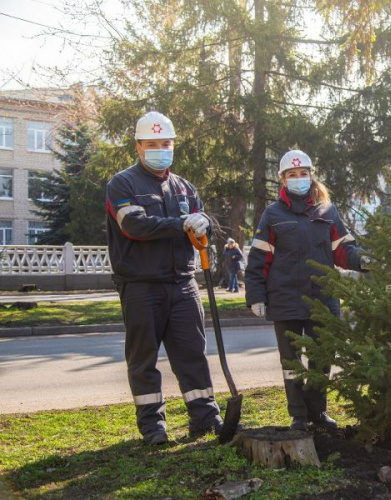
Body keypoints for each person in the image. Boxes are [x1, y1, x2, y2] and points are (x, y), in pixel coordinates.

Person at [106, 111, 223, 445]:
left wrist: (206, 224)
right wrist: (182, 224)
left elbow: (202, 223)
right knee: (144, 358)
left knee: (193, 354)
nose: (160, 149)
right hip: (141, 285)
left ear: (173, 145)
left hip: (184, 283)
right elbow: (134, 226)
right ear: (139, 146)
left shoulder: (184, 187)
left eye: (166, 143)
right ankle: (153, 426)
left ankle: (205, 417)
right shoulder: (123, 184)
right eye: (153, 144)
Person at [245, 149, 368, 431]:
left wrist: (363, 260)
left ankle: (317, 412)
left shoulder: (327, 210)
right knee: (291, 362)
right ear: (283, 179)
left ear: (311, 176)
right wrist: (255, 296)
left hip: (322, 298)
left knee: (321, 359)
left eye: (303, 174)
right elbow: (259, 258)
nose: (298, 179)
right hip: (285, 298)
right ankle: (298, 415)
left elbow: (343, 250)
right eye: (292, 175)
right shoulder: (273, 214)